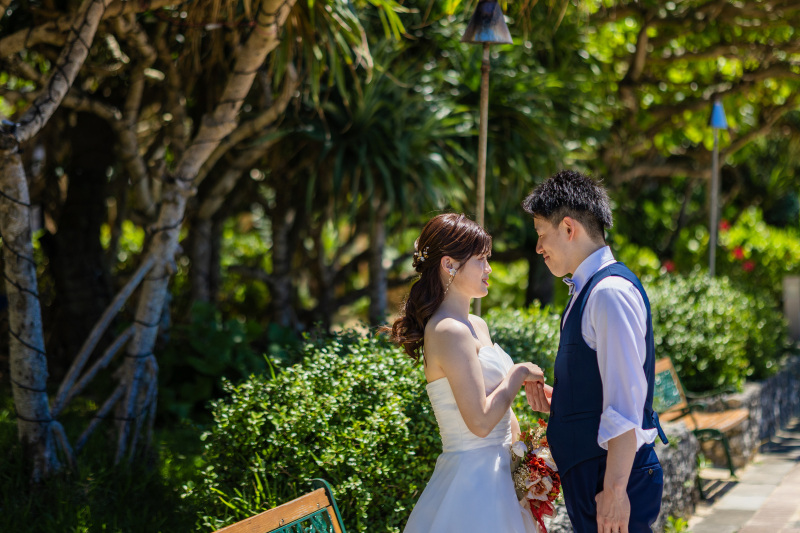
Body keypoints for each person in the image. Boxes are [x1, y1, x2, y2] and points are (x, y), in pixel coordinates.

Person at [522, 170, 669, 533]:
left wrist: (615, 490)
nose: (538, 247)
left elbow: (625, 403)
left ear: (569, 228)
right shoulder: (589, 289)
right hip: (598, 474)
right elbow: (604, 388)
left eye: (542, 234)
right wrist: (567, 402)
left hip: (611, 478)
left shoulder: (608, 293)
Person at [384, 213, 545, 533]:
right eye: (481, 260)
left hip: (503, 474)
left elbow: (500, 409)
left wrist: (528, 459)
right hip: (473, 484)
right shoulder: (447, 330)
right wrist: (519, 372)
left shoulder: (477, 325)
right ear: (449, 265)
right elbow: (481, 421)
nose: (489, 270)